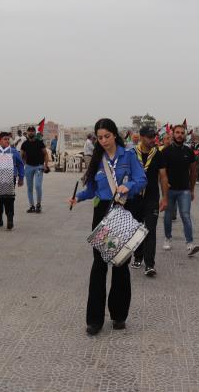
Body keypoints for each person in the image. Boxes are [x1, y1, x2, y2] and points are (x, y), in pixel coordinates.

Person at [69, 118, 147, 335]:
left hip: (123, 210)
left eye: (106, 136)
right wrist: (79, 198)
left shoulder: (129, 155)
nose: (103, 141)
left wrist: (128, 186)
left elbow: (142, 180)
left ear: (115, 135)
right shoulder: (97, 159)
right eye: (99, 137)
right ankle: (94, 320)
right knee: (99, 264)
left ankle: (119, 315)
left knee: (121, 263)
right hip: (102, 213)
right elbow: (92, 188)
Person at [127, 126, 166, 276]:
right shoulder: (131, 154)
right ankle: (138, 257)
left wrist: (165, 198)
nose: (153, 140)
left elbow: (163, 176)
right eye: (149, 137)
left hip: (151, 198)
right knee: (136, 230)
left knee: (150, 230)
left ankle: (150, 264)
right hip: (134, 198)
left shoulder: (158, 154)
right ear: (141, 137)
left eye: (154, 137)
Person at [160, 125, 199, 256]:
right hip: (170, 190)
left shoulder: (189, 151)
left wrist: (192, 190)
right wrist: (164, 193)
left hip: (184, 190)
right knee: (167, 217)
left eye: (182, 133)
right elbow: (162, 174)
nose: (179, 135)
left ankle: (190, 244)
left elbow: (193, 172)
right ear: (172, 134)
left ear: (185, 135)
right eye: (177, 132)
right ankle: (168, 238)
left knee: (186, 215)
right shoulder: (165, 152)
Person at [0, 132, 25, 230]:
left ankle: (10, 220)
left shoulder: (14, 152)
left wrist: (21, 177)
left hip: (10, 179)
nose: (7, 141)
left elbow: (20, 165)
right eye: (5, 139)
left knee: (9, 199)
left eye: (8, 139)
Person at [21, 125, 50, 213]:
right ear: (27, 132)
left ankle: (38, 204)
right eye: (29, 131)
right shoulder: (24, 144)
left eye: (32, 131)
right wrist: (23, 165)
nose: (31, 132)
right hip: (28, 167)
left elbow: (45, 154)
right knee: (29, 187)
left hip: (39, 166)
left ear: (35, 132)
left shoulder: (39, 142)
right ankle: (31, 206)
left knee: (37, 186)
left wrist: (45, 165)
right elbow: (21, 155)